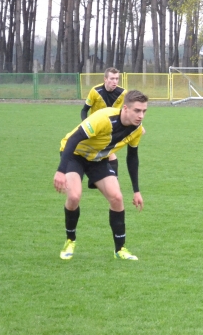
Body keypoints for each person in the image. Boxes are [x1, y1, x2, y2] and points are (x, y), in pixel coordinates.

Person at [54, 90, 148, 261]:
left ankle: (120, 249)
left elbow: (132, 158)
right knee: (74, 196)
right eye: (137, 110)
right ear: (125, 108)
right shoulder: (104, 118)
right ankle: (70, 240)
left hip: (97, 158)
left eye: (144, 111)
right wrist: (61, 170)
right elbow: (73, 140)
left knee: (117, 198)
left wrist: (136, 191)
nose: (141, 115)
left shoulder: (136, 129)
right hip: (75, 155)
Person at [81, 67, 128, 179]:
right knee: (93, 153)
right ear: (105, 79)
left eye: (117, 79)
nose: (115, 81)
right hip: (94, 127)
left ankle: (112, 179)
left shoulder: (123, 93)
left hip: (110, 128)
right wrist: (85, 126)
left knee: (108, 153)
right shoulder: (95, 91)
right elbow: (84, 110)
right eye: (112, 78)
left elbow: (129, 111)